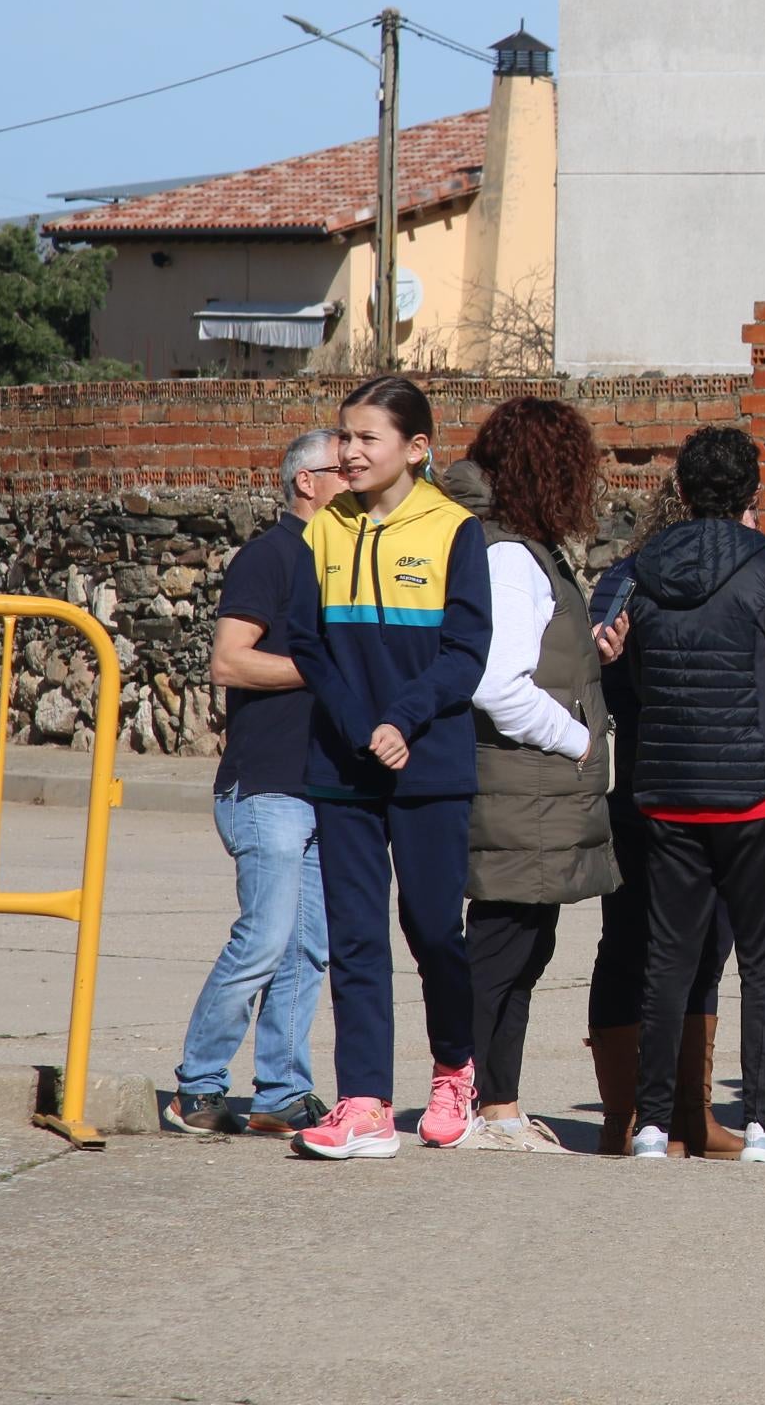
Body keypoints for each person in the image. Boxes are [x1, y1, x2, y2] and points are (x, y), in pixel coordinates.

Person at [285, 375, 492, 1161]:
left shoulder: (454, 531)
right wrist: (357, 726)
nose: (350, 452)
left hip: (430, 762)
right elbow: (307, 642)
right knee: (357, 936)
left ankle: (454, 1070)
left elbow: (465, 653)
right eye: (344, 437)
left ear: (416, 450)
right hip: (344, 761)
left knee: (434, 927)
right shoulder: (324, 529)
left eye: (368, 438)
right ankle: (365, 1103)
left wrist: (401, 721)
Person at [621, 426, 765, 1163]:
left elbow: (617, 678)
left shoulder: (636, 570)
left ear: (680, 492)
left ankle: (652, 1123)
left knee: (667, 957)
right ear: (753, 494)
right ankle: (763, 1122)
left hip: (666, 789)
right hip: (756, 794)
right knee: (763, 960)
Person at [440, 401, 621, 1155]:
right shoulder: (512, 556)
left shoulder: (515, 547)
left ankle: (501, 1107)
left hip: (527, 792)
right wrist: (576, 736)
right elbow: (496, 683)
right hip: (522, 787)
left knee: (523, 945)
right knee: (504, 947)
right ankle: (475, 1107)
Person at [163, 430, 342, 1138]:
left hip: (322, 786)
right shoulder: (269, 557)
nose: (355, 479)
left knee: (307, 948)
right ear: (306, 482)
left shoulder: (340, 562)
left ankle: (281, 1093)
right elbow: (230, 663)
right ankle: (197, 1087)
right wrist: (324, 669)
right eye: (341, 469)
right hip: (264, 784)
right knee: (266, 938)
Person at [582, 476, 742, 1159]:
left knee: (708, 945)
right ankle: (624, 1114)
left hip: (727, 787)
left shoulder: (752, 574)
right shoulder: (627, 577)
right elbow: (599, 664)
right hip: (645, 786)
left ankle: (690, 1113)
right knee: (631, 943)